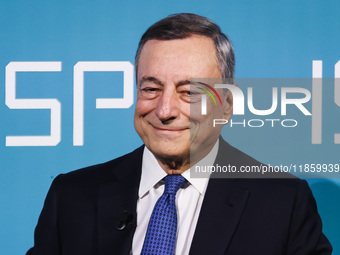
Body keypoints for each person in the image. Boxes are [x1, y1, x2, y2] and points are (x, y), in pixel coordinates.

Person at [27, 13, 332, 255]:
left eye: (189, 92)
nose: (164, 110)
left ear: (226, 105)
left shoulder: (282, 203)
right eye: (150, 89)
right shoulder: (72, 196)